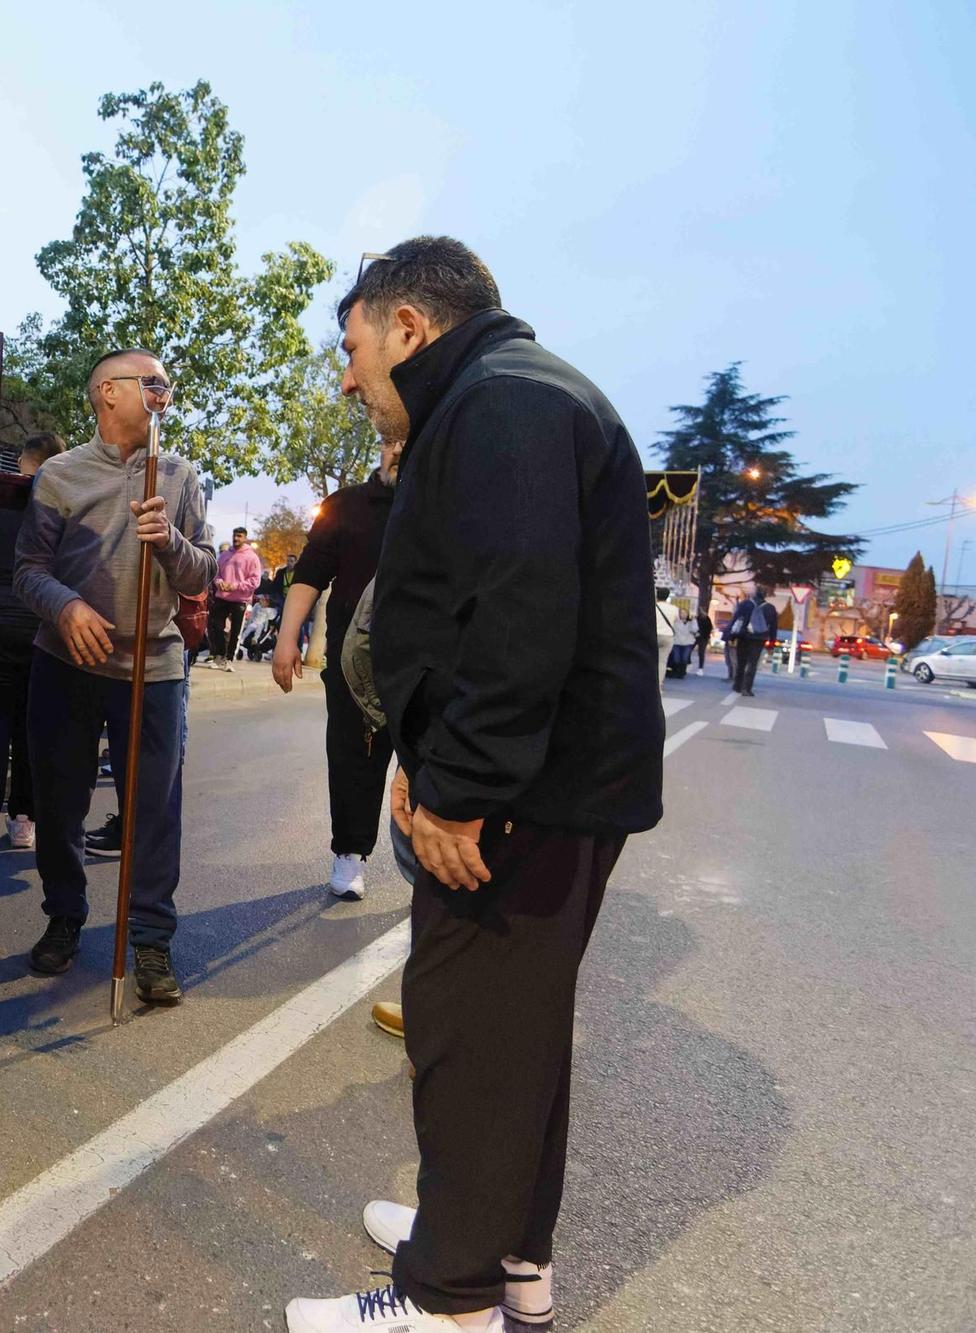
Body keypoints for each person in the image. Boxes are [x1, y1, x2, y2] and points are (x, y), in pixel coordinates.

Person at [283, 238, 663, 1333]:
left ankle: (445, 1301)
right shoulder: (507, 394)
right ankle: (500, 1254)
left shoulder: (498, 404)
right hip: (540, 784)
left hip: (521, 796)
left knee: (466, 1033)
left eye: (350, 346)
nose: (345, 375)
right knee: (513, 1031)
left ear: (408, 327)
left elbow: (515, 620)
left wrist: (453, 790)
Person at [15, 347, 214, 1004]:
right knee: (59, 800)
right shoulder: (60, 476)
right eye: (151, 382)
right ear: (106, 391)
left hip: (153, 667)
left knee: (153, 810)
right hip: (67, 661)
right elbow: (27, 570)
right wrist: (65, 604)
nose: (165, 394)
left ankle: (152, 939)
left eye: (169, 385)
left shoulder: (180, 477)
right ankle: (65, 913)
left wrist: (170, 542)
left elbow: (201, 573)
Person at [271, 433, 403, 900]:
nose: (399, 450)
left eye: (411, 439)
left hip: (429, 667)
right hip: (354, 666)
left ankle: (431, 861)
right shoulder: (346, 505)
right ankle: (350, 853)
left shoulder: (446, 503)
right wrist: (287, 640)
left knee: (431, 768)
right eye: (391, 440)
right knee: (352, 760)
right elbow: (309, 574)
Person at [0, 433, 65, 857]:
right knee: (32, 729)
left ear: (25, 462)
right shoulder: (63, 508)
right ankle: (24, 822)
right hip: (41, 627)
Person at [203, 526, 263, 667]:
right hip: (222, 597)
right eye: (235, 535)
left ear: (245, 538)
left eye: (240, 536)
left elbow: (255, 581)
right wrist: (219, 582)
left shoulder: (252, 557)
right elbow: (217, 573)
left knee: (235, 631)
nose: (236, 538)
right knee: (215, 626)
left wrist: (235, 586)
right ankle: (220, 654)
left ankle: (229, 659)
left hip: (240, 599)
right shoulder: (225, 555)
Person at [728, 586, 776, 696]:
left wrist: (731, 636)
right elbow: (773, 627)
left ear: (755, 594)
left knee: (741, 662)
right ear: (765, 595)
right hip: (759, 639)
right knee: (752, 664)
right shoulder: (770, 608)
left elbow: (736, 620)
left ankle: (737, 685)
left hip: (744, 637)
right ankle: (747, 688)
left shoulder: (745, 604)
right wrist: (771, 644)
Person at [693, 609, 713, 674]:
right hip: (697, 637)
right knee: (689, 650)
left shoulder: (707, 620)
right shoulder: (697, 618)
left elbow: (709, 629)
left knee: (701, 653)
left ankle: (700, 668)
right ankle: (699, 668)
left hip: (703, 638)